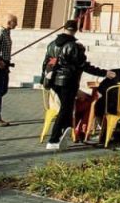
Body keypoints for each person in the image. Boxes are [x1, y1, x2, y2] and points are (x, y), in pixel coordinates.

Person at [41, 19, 113, 150]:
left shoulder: (52, 44)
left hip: (54, 81)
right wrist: (104, 73)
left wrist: (44, 80)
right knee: (65, 109)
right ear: (76, 30)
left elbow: (45, 63)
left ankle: (66, 131)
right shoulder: (73, 46)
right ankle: (53, 139)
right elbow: (83, 65)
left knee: (67, 108)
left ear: (64, 28)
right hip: (68, 81)